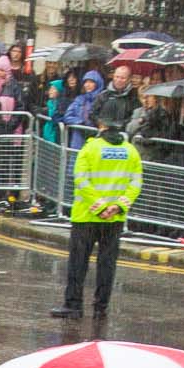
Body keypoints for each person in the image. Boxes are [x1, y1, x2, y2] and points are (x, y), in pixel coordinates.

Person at [51, 105, 141, 319]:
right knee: (107, 263)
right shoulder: (131, 151)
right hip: (115, 217)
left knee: (78, 263)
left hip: (87, 216)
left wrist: (100, 206)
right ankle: (101, 307)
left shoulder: (90, 148)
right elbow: (136, 183)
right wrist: (118, 206)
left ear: (100, 125)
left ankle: (73, 305)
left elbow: (81, 180)